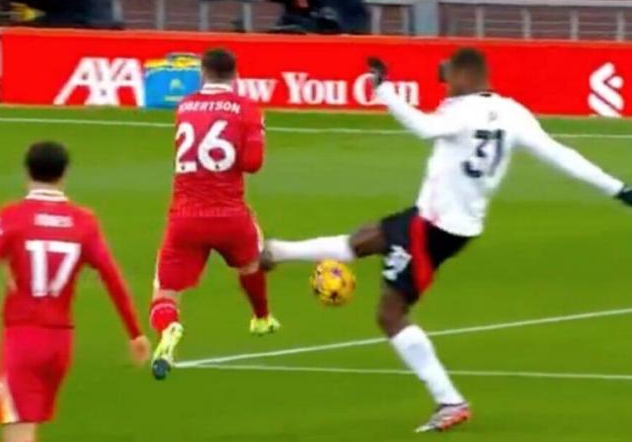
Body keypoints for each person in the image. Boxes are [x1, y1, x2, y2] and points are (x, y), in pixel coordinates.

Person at [263, 48, 632, 433]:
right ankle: (276, 252)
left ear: (463, 75)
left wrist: (384, 90)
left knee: (390, 313)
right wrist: (618, 188)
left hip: (435, 226)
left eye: (447, 78)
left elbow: (424, 128)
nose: (445, 86)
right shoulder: (514, 113)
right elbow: (562, 156)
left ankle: (449, 400)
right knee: (367, 239)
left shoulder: (460, 112)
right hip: (451, 223)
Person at [0, 141, 150, 442]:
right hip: (60, 344)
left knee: (17, 432)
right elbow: (112, 278)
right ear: (64, 175)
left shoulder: (11, 216)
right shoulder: (84, 222)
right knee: (29, 426)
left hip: (22, 339)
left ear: (27, 172)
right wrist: (135, 332)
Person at [149, 48, 279, 380]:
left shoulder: (185, 106)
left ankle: (170, 327)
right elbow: (254, 164)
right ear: (235, 75)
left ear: (202, 73)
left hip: (185, 216)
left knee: (164, 291)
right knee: (252, 259)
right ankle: (262, 317)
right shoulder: (246, 108)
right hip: (229, 214)